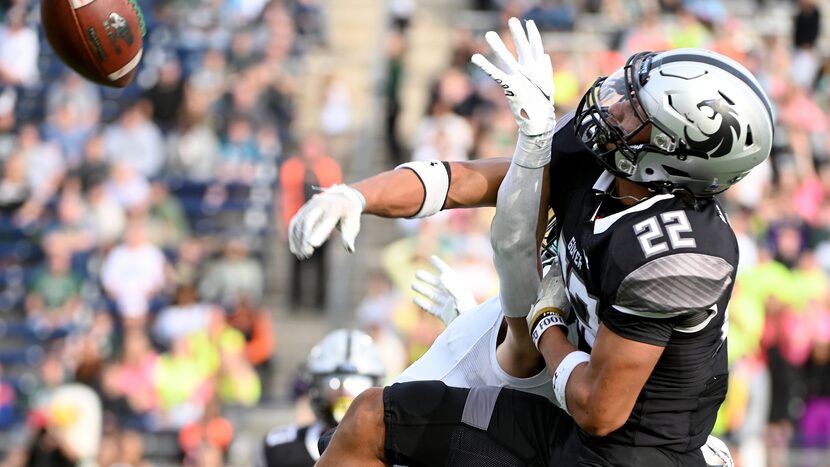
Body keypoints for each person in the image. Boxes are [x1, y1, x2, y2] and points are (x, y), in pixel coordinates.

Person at [290, 17, 772, 466]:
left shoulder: (678, 252)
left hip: (624, 452)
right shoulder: (605, 164)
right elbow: (468, 182)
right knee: (368, 421)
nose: (615, 105)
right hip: (559, 414)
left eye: (634, 112)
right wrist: (356, 195)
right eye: (628, 90)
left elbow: (599, 410)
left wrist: (543, 323)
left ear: (672, 156)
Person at [256, 329, 385, 467]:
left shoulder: (387, 451)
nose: (343, 392)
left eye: (357, 384)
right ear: (314, 386)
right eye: (330, 382)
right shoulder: (279, 448)